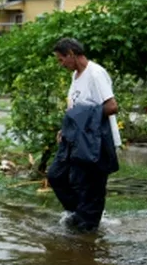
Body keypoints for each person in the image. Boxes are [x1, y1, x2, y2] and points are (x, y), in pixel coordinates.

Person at [48, 38, 120, 232]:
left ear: (71, 54)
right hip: (77, 138)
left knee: (91, 185)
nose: (61, 64)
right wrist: (67, 128)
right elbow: (77, 108)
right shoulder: (76, 76)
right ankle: (79, 213)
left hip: (97, 140)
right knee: (56, 175)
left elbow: (112, 106)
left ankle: (89, 227)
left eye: (61, 59)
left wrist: (80, 121)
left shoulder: (95, 74)